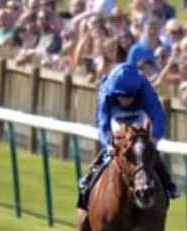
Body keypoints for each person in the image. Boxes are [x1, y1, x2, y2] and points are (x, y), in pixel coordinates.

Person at [76, 61, 178, 210]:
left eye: (130, 95)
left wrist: (154, 138)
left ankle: (167, 183)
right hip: (116, 119)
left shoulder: (144, 87)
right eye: (121, 96)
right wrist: (108, 144)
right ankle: (89, 178)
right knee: (110, 151)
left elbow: (157, 116)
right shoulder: (106, 90)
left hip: (139, 117)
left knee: (146, 151)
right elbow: (102, 123)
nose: (126, 100)